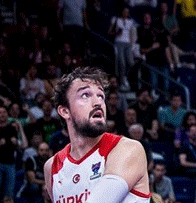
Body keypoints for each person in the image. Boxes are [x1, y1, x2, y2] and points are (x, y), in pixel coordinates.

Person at [44, 67, 151, 203]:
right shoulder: (52, 167)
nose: (98, 102)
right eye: (85, 95)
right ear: (65, 111)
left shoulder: (127, 149)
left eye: (100, 96)